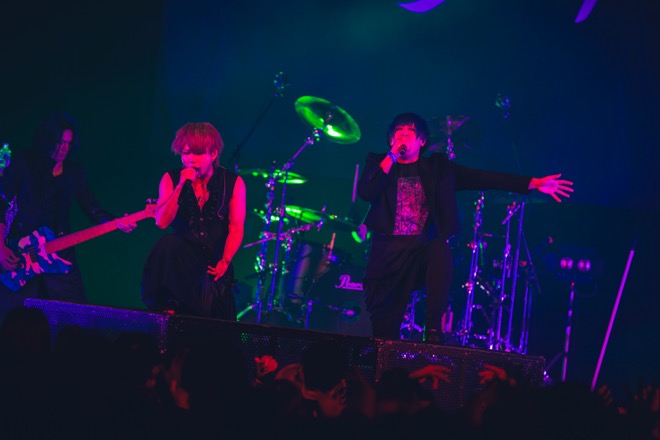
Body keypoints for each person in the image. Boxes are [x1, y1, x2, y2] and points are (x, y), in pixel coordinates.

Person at [357, 112, 573, 343]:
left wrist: (531, 183)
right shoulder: (379, 164)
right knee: (383, 335)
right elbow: (366, 192)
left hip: (419, 253)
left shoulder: (437, 169)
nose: (403, 135)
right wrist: (391, 156)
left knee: (439, 249)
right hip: (386, 257)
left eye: (410, 132)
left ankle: (432, 329)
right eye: (398, 132)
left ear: (422, 141)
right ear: (391, 140)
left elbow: (482, 177)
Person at [0, 112, 136, 317]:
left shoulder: (74, 173)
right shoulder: (24, 162)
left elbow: (92, 208)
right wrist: (1, 248)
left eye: (68, 143)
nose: (63, 148)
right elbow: (1, 203)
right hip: (21, 252)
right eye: (59, 142)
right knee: (15, 316)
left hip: (58, 249)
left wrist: (113, 222)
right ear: (47, 140)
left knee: (75, 315)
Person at [141, 122, 246, 319]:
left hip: (214, 261)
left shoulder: (233, 183)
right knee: (167, 243)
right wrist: (180, 186)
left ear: (213, 154)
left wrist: (225, 260)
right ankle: (167, 306)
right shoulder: (171, 178)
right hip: (182, 262)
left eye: (198, 154)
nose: (190, 159)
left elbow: (236, 228)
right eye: (186, 153)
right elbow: (161, 222)